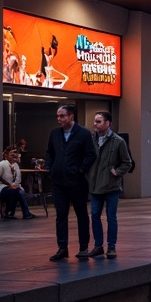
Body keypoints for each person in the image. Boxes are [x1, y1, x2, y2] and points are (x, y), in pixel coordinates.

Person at [45, 103, 96, 261]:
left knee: (81, 214)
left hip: (77, 181)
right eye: (58, 116)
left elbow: (91, 154)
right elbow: (50, 152)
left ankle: (83, 247)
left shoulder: (83, 134)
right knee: (61, 215)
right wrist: (50, 168)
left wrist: (80, 170)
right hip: (59, 182)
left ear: (71, 116)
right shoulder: (55, 134)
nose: (59, 119)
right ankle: (62, 248)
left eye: (62, 116)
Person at [86, 110, 133, 259]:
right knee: (94, 215)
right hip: (95, 185)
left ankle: (111, 247)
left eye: (99, 121)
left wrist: (117, 172)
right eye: (95, 121)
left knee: (111, 217)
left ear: (107, 123)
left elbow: (128, 162)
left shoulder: (118, 141)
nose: (95, 124)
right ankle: (98, 246)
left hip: (111, 186)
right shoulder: (91, 139)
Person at [0, 147, 35, 219]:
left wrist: (14, 185)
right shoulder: (2, 164)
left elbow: (17, 180)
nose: (15, 154)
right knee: (15, 191)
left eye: (16, 152)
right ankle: (14, 213)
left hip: (9, 189)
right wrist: (10, 185)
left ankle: (20, 213)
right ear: (6, 155)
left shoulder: (15, 165)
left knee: (18, 191)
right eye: (13, 152)